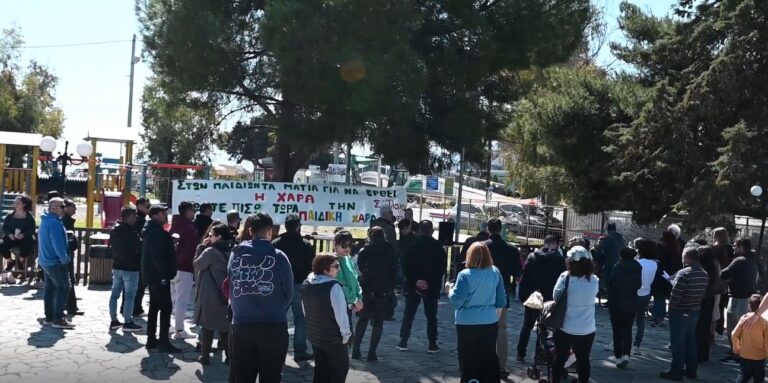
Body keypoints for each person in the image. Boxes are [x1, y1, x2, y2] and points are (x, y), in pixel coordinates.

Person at [228, 213, 294, 383]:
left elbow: (231, 283)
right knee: (271, 376)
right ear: (270, 231)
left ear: (250, 231)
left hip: (242, 324)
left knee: (243, 377)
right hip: (273, 324)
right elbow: (289, 292)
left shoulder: (236, 254)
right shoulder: (279, 256)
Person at [446, 242, 506, 383]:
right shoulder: (495, 272)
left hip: (467, 322)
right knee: (489, 357)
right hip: (489, 321)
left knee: (469, 358)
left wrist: (449, 290)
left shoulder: (464, 275)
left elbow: (456, 301)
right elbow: (501, 299)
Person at [660, 246, 708, 381]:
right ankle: (691, 370)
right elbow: (703, 293)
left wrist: (671, 310)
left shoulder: (683, 273)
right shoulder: (703, 273)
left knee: (677, 342)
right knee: (690, 341)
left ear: (686, 257)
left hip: (680, 311)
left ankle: (676, 371)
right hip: (694, 310)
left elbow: (676, 296)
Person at [551, 246, 599, 383]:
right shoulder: (594, 280)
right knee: (583, 359)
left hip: (566, 326)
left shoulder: (565, 277)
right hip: (587, 328)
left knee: (560, 357)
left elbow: (556, 296)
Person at [272, 214, 316, 362]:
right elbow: (312, 267)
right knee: (300, 320)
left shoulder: (276, 243)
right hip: (299, 284)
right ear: (298, 226)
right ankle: (300, 351)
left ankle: (276, 350)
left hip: (280, 286)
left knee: (278, 319)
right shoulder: (306, 244)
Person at [398, 220, 447, 353]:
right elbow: (442, 268)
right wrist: (429, 282)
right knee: (431, 316)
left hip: (413, 284)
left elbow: (406, 266)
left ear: (419, 229)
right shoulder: (438, 246)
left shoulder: (411, 245)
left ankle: (403, 341)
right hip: (431, 286)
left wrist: (415, 281)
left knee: (409, 314)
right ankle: (432, 343)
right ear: (432, 231)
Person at [516, 235, 566, 362]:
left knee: (527, 325)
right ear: (554, 244)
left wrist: (524, 297)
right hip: (550, 298)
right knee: (546, 327)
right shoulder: (559, 260)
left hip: (534, 296)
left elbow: (524, 279)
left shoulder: (532, 257)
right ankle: (542, 352)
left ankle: (520, 353)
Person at [303, 254, 351, 383]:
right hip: (333, 338)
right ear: (325, 269)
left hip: (315, 335)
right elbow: (341, 314)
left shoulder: (307, 283)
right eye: (336, 266)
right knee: (340, 370)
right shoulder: (333, 287)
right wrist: (346, 335)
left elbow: (305, 310)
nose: (338, 269)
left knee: (321, 369)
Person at [352, 226, 398, 362]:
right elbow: (395, 271)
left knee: (363, 319)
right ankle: (372, 353)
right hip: (383, 290)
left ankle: (356, 350)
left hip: (367, 289)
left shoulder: (364, 251)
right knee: (378, 322)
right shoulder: (390, 251)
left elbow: (359, 268)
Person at [483, 217, 521, 377]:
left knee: (482, 329)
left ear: (488, 229)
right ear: (501, 229)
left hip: (483, 293)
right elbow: (518, 274)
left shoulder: (482, 247)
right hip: (502, 294)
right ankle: (501, 366)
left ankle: (483, 363)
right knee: (501, 330)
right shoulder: (511, 249)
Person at [142, 204, 181, 353]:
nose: (166, 216)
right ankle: (163, 341)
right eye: (163, 214)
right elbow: (158, 258)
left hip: (154, 276)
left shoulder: (153, 230)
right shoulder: (156, 233)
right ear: (156, 215)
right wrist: (165, 275)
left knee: (154, 307)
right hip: (158, 277)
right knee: (165, 308)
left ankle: (151, 339)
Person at [193, 223, 232, 365]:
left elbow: (197, 265)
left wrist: (200, 247)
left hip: (209, 294)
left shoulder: (209, 252)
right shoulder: (232, 250)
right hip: (224, 294)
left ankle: (205, 357)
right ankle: (230, 356)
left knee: (207, 326)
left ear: (219, 236)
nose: (209, 237)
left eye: (211, 235)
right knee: (224, 327)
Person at [719, 238, 759, 365]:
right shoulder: (754, 259)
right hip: (747, 296)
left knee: (734, 327)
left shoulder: (739, 260)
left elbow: (723, 274)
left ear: (742, 247)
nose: (734, 248)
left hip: (738, 297)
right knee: (741, 327)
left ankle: (737, 354)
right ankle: (738, 353)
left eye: (736, 246)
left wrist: (732, 279)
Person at [37, 197, 74, 329]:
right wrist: (64, 259)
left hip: (45, 260)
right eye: (62, 206)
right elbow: (57, 243)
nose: (64, 208)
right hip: (54, 262)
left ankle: (49, 317)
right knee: (64, 288)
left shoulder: (45, 220)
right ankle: (58, 319)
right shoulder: (54, 223)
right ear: (54, 208)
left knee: (50, 288)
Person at [108, 207, 143, 332]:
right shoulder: (132, 233)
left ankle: (113, 320)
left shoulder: (114, 230)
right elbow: (139, 248)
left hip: (117, 266)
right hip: (131, 268)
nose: (135, 219)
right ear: (128, 217)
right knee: (129, 296)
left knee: (114, 295)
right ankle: (128, 321)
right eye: (134, 216)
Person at [607, 247, 642, 368]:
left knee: (617, 329)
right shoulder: (638, 267)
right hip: (632, 300)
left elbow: (611, 283)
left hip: (617, 301)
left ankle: (618, 356)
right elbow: (639, 284)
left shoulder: (617, 267)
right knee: (627, 328)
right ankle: (626, 354)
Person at [169, 201, 198, 339]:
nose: (194, 213)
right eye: (193, 210)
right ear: (187, 211)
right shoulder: (189, 228)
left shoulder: (173, 226)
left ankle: (169, 326)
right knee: (182, 300)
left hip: (171, 267)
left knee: (172, 299)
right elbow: (191, 250)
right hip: (185, 268)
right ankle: (180, 329)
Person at [333, 230, 363, 343]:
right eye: (343, 245)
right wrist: (355, 299)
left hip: (349, 305)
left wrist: (359, 297)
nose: (347, 248)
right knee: (343, 339)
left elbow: (355, 280)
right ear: (335, 245)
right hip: (340, 305)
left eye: (349, 245)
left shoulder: (347, 258)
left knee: (349, 339)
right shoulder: (335, 261)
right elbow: (340, 285)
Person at [731, 294, 768, 383]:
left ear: (748, 306)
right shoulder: (764, 322)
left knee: (743, 375)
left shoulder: (744, 319)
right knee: (759, 377)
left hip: (744, 354)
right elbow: (767, 341)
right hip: (759, 357)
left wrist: (736, 348)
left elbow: (734, 334)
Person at [695, 245, 723, 363]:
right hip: (710, 298)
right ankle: (703, 354)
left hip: (701, 298)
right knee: (705, 328)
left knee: (697, 327)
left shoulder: (701, 268)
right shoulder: (714, 266)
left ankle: (696, 353)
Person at [653, 231, 682, 326]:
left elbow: (657, 260)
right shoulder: (676, 248)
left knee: (659, 297)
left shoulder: (659, 248)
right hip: (672, 274)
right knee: (671, 297)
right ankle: (672, 316)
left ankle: (659, 317)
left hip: (661, 274)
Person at [634, 238, 658, 351]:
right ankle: (637, 345)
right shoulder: (655, 264)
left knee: (627, 320)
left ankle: (621, 343)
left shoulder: (637, 263)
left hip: (634, 293)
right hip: (646, 293)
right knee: (640, 320)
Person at [1, 195, 35, 274]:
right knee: (1, 243)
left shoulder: (29, 217)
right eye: (15, 202)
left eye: (18, 203)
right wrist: (9, 235)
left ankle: (20, 261)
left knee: (28, 242)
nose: (16, 204)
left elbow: (32, 229)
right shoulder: (10, 215)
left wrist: (23, 235)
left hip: (25, 238)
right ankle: (10, 261)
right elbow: (4, 228)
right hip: (12, 237)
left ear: (24, 204)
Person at [61, 199, 83, 316]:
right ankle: (70, 306)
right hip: (65, 254)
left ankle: (70, 306)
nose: (75, 209)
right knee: (68, 279)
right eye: (73, 207)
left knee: (68, 280)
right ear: (67, 207)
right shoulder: (64, 221)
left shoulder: (67, 220)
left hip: (67, 253)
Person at [713, 227, 733, 336]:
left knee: (717, 305)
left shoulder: (714, 249)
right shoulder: (731, 249)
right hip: (728, 281)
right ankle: (721, 328)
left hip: (717, 279)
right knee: (723, 305)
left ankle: (716, 328)